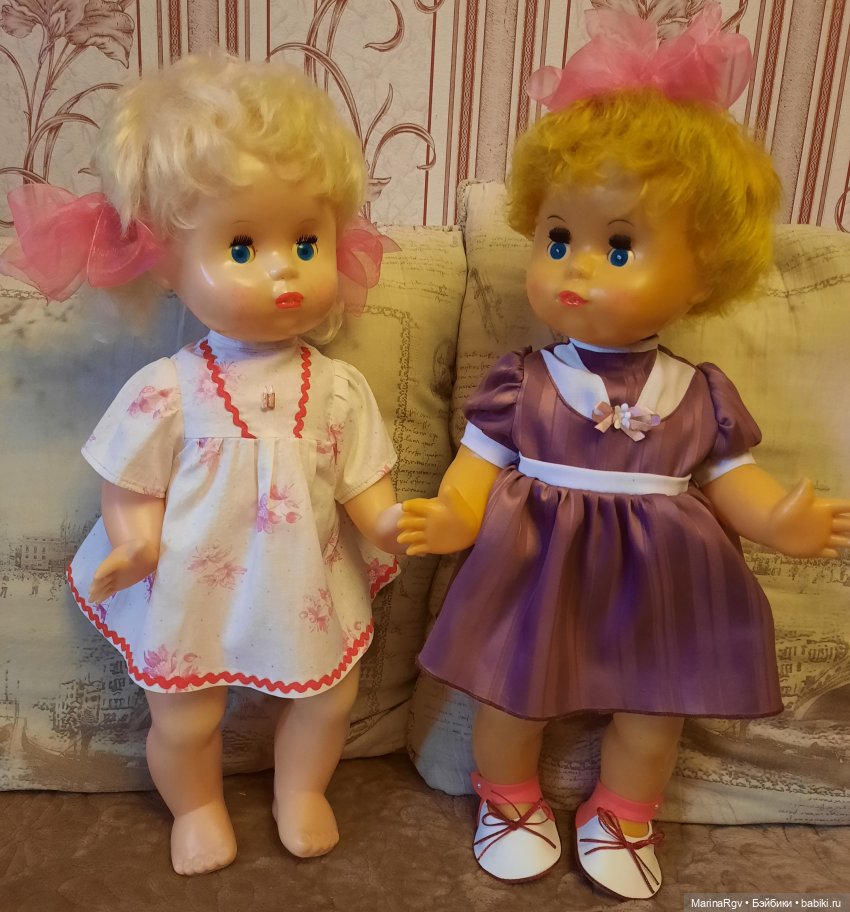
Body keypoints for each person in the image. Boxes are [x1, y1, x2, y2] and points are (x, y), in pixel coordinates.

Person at [398, 5, 850, 900]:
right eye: (558, 237)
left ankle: (623, 814)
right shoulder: (521, 381)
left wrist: (779, 521)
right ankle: (510, 800)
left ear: (705, 270)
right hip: (534, 569)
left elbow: (732, 478)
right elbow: (477, 464)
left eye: (619, 245)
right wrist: (452, 514)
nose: (576, 266)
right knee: (511, 697)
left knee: (653, 714)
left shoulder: (699, 391)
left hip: (661, 581)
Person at [1, 52, 404, 876]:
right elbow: (130, 481)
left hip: (301, 580)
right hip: (190, 583)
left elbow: (365, 484)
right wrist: (134, 540)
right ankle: (197, 805)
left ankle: (301, 791)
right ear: (170, 266)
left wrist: (397, 522)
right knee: (185, 718)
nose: (284, 266)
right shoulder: (168, 390)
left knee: (330, 699)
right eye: (243, 245)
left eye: (305, 239)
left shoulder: (337, 389)